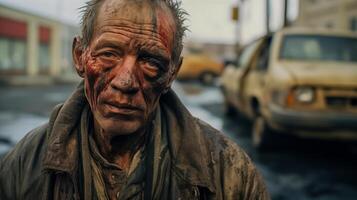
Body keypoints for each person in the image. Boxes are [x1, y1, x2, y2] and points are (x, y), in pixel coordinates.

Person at [0, 0, 270, 199]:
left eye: (150, 61)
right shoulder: (25, 163)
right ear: (80, 56)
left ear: (172, 73)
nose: (125, 81)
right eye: (108, 54)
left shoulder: (227, 170)